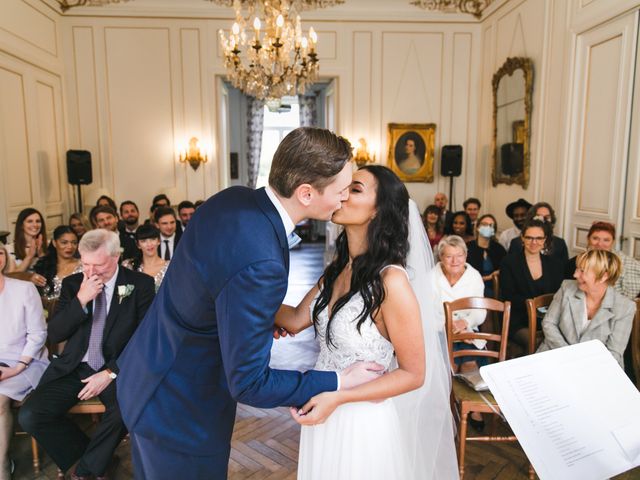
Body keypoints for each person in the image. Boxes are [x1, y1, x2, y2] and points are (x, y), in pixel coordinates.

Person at [116, 127, 383, 479]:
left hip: (151, 372)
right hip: (180, 409)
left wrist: (241, 319)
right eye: (341, 189)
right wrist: (335, 381)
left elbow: (207, 281)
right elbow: (249, 383)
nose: (344, 197)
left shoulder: (233, 199)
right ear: (306, 193)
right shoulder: (262, 263)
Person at [276, 166, 457, 479]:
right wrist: (238, 294)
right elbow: (292, 320)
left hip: (361, 422)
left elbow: (414, 375)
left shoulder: (391, 282)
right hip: (323, 411)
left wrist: (339, 397)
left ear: (378, 211)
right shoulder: (335, 272)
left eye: (355, 189)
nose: (342, 194)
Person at [19, 229, 155, 480]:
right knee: (31, 414)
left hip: (117, 368)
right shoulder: (74, 285)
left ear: (115, 257)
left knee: (125, 407)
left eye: (98, 264)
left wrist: (110, 372)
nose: (90, 271)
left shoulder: (140, 285)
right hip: (75, 367)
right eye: (86, 263)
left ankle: (83, 472)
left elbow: (144, 340)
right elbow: (56, 334)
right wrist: (80, 300)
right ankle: (96, 461)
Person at [0, 243, 49, 480]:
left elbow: (38, 333)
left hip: (25, 361)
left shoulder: (24, 289)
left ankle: (1, 466)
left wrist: (18, 366)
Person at [427, 235, 486, 431]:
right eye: (449, 256)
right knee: (447, 365)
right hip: (439, 329)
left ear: (465, 255)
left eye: (459, 256)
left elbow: (480, 310)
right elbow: (428, 309)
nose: (455, 261)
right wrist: (448, 325)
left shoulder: (474, 276)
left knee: (469, 362)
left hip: (468, 330)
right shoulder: (432, 276)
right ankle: (447, 406)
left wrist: (465, 323)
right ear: (440, 257)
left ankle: (470, 405)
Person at [538, 249, 635, 367]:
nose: (575, 275)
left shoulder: (625, 307)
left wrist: (583, 366)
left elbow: (614, 352)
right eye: (577, 268)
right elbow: (549, 323)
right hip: (556, 355)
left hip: (598, 367)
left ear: (604, 276)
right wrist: (568, 355)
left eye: (582, 271)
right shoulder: (567, 287)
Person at [499, 218, 564, 347]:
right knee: (540, 343)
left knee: (566, 340)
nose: (534, 242)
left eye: (539, 238)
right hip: (519, 320)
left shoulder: (554, 264)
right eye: (529, 238)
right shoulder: (509, 262)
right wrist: (536, 306)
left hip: (550, 319)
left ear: (545, 239)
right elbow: (508, 295)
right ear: (522, 238)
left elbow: (558, 294)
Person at [565, 221, 640, 300]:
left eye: (606, 240)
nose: (600, 244)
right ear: (588, 239)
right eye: (595, 238)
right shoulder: (574, 263)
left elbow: (630, 297)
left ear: (613, 242)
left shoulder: (628, 263)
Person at [508, 202, 569, 267]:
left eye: (547, 217)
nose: (543, 220)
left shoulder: (560, 243)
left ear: (552, 220)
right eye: (539, 217)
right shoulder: (516, 243)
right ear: (531, 219)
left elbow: (565, 270)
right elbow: (510, 267)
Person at [34, 226, 82, 300]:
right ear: (54, 243)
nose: (70, 246)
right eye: (64, 242)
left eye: (74, 243)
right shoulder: (45, 264)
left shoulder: (83, 266)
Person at [6, 208, 48, 288]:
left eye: (38, 221)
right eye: (30, 221)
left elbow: (51, 272)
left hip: (44, 289)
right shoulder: (9, 249)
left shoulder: (49, 244)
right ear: (21, 225)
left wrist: (41, 255)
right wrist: (29, 256)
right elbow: (12, 276)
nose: (35, 225)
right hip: (20, 290)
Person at [467, 214, 506, 297]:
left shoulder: (499, 249)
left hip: (495, 288)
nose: (488, 227)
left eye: (491, 225)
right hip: (471, 288)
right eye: (484, 224)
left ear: (494, 230)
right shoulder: (468, 247)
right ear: (477, 227)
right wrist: (488, 277)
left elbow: (505, 270)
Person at [122, 224, 169, 292]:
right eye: (143, 241)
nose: (149, 244)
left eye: (153, 239)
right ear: (138, 244)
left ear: (159, 241)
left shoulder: (169, 267)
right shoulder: (128, 265)